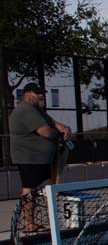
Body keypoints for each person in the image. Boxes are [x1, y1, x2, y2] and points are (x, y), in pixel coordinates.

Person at [8, 82, 72, 232]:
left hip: (42, 160)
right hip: (29, 158)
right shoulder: (25, 110)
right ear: (27, 94)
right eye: (37, 94)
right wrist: (59, 135)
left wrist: (65, 128)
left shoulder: (37, 111)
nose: (40, 97)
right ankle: (29, 224)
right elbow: (46, 132)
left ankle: (47, 220)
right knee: (29, 189)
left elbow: (52, 123)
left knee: (43, 189)